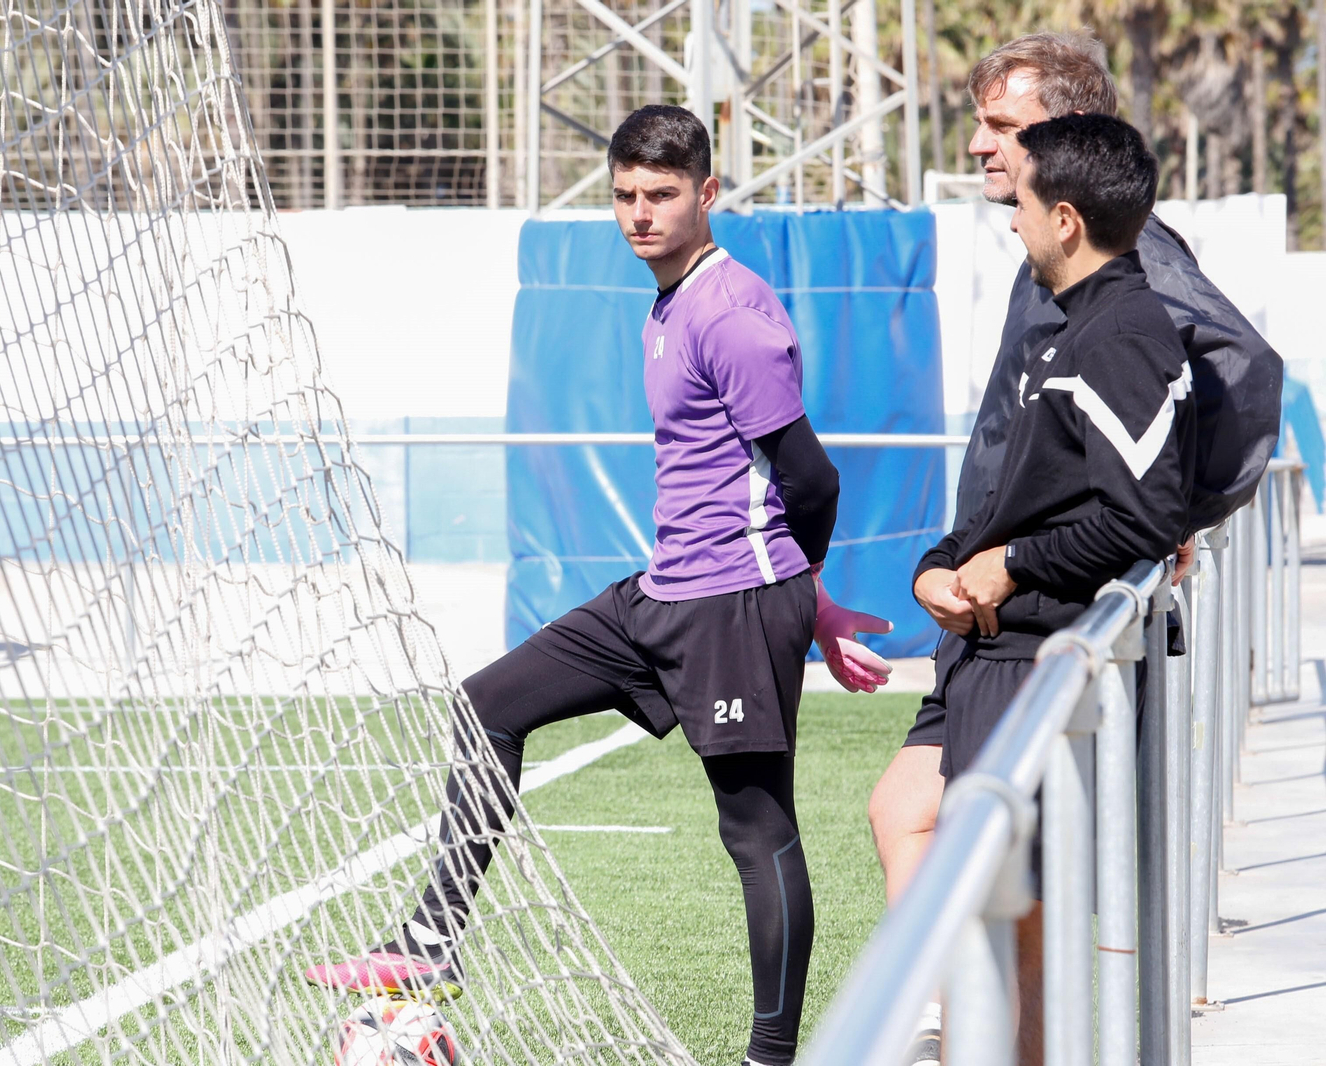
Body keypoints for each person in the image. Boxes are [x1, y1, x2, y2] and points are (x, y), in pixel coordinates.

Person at [304, 104, 892, 1066]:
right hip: (665, 591)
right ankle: (429, 942)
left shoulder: (730, 315)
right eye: (624, 196)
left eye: (662, 194)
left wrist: (806, 600)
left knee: (756, 827)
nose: (640, 214)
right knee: (488, 704)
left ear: (707, 193)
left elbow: (812, 480)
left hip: (734, 606)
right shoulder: (667, 301)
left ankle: (772, 1057)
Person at [866, 32, 1282, 1065]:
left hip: (1037, 623)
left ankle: (961, 1024)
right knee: (915, 816)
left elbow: (1245, 370)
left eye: (1002, 127)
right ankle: (948, 1015)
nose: (979, 145)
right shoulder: (1044, 256)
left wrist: (1174, 516)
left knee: (1014, 897)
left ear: (1066, 146)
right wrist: (952, 557)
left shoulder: (1124, 263)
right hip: (987, 615)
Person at [919, 114, 1195, 1061]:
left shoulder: (1119, 335)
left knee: (1007, 927)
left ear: (1066, 220)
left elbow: (1143, 520)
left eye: (1025, 204)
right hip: (1000, 657)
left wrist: (1014, 565)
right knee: (988, 916)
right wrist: (940, 563)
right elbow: (1019, 492)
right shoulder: (1073, 327)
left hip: (1036, 665)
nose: (1013, 220)